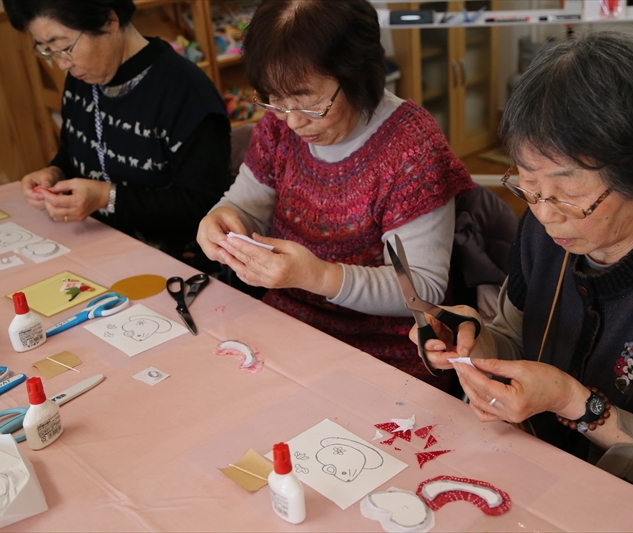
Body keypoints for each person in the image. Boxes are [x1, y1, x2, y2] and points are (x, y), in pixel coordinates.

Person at [415, 31, 633, 532]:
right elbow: (515, 337)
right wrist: (471, 339)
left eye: (567, 195)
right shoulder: (543, 229)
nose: (544, 214)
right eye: (527, 184)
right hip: (551, 471)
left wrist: (569, 401)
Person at [197, 0, 476, 394]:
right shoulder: (280, 125)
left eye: (311, 103)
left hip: (388, 354)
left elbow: (422, 287)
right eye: (276, 100)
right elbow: (246, 204)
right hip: (287, 327)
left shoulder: (411, 146)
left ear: (357, 74)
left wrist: (317, 276)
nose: (294, 121)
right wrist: (222, 217)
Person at [3, 0, 232, 263]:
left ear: (109, 21)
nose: (62, 64)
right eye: (48, 50)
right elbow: (75, 146)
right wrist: (55, 172)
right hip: (94, 245)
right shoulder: (82, 77)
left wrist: (107, 197)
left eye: (65, 47)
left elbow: (204, 204)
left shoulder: (187, 93)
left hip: (177, 263)